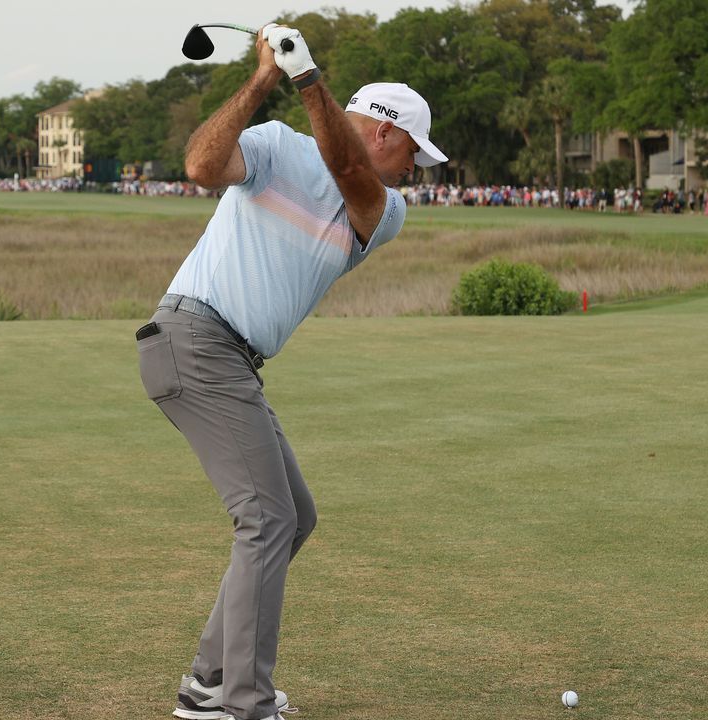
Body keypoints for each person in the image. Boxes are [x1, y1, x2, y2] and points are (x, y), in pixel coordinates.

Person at [135, 22, 446, 720]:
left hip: (229, 356)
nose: (412, 174)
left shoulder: (384, 210)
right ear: (389, 135)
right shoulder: (276, 146)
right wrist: (266, 80)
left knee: (292, 516)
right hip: (195, 337)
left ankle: (209, 681)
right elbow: (202, 168)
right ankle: (240, 703)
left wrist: (310, 82)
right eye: (413, 157)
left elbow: (353, 177)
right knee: (268, 519)